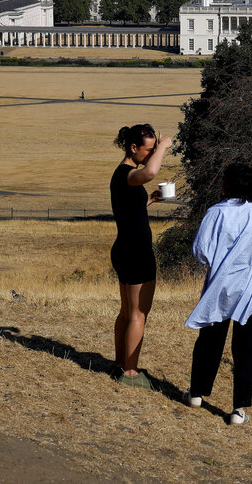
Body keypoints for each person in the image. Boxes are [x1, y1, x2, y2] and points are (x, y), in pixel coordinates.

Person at [182, 162, 252, 425]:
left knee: (210, 341)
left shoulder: (215, 213)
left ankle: (196, 394)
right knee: (247, 347)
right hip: (251, 289)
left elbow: (200, 253)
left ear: (226, 185)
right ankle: (238, 409)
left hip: (218, 287)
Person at [110, 123, 172, 389]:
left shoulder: (122, 175)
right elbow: (152, 171)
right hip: (137, 252)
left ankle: (120, 363)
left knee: (126, 312)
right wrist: (164, 147)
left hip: (124, 248)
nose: (150, 154)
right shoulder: (129, 173)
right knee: (138, 314)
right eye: (148, 150)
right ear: (133, 148)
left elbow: (129, 208)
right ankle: (131, 373)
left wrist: (149, 201)